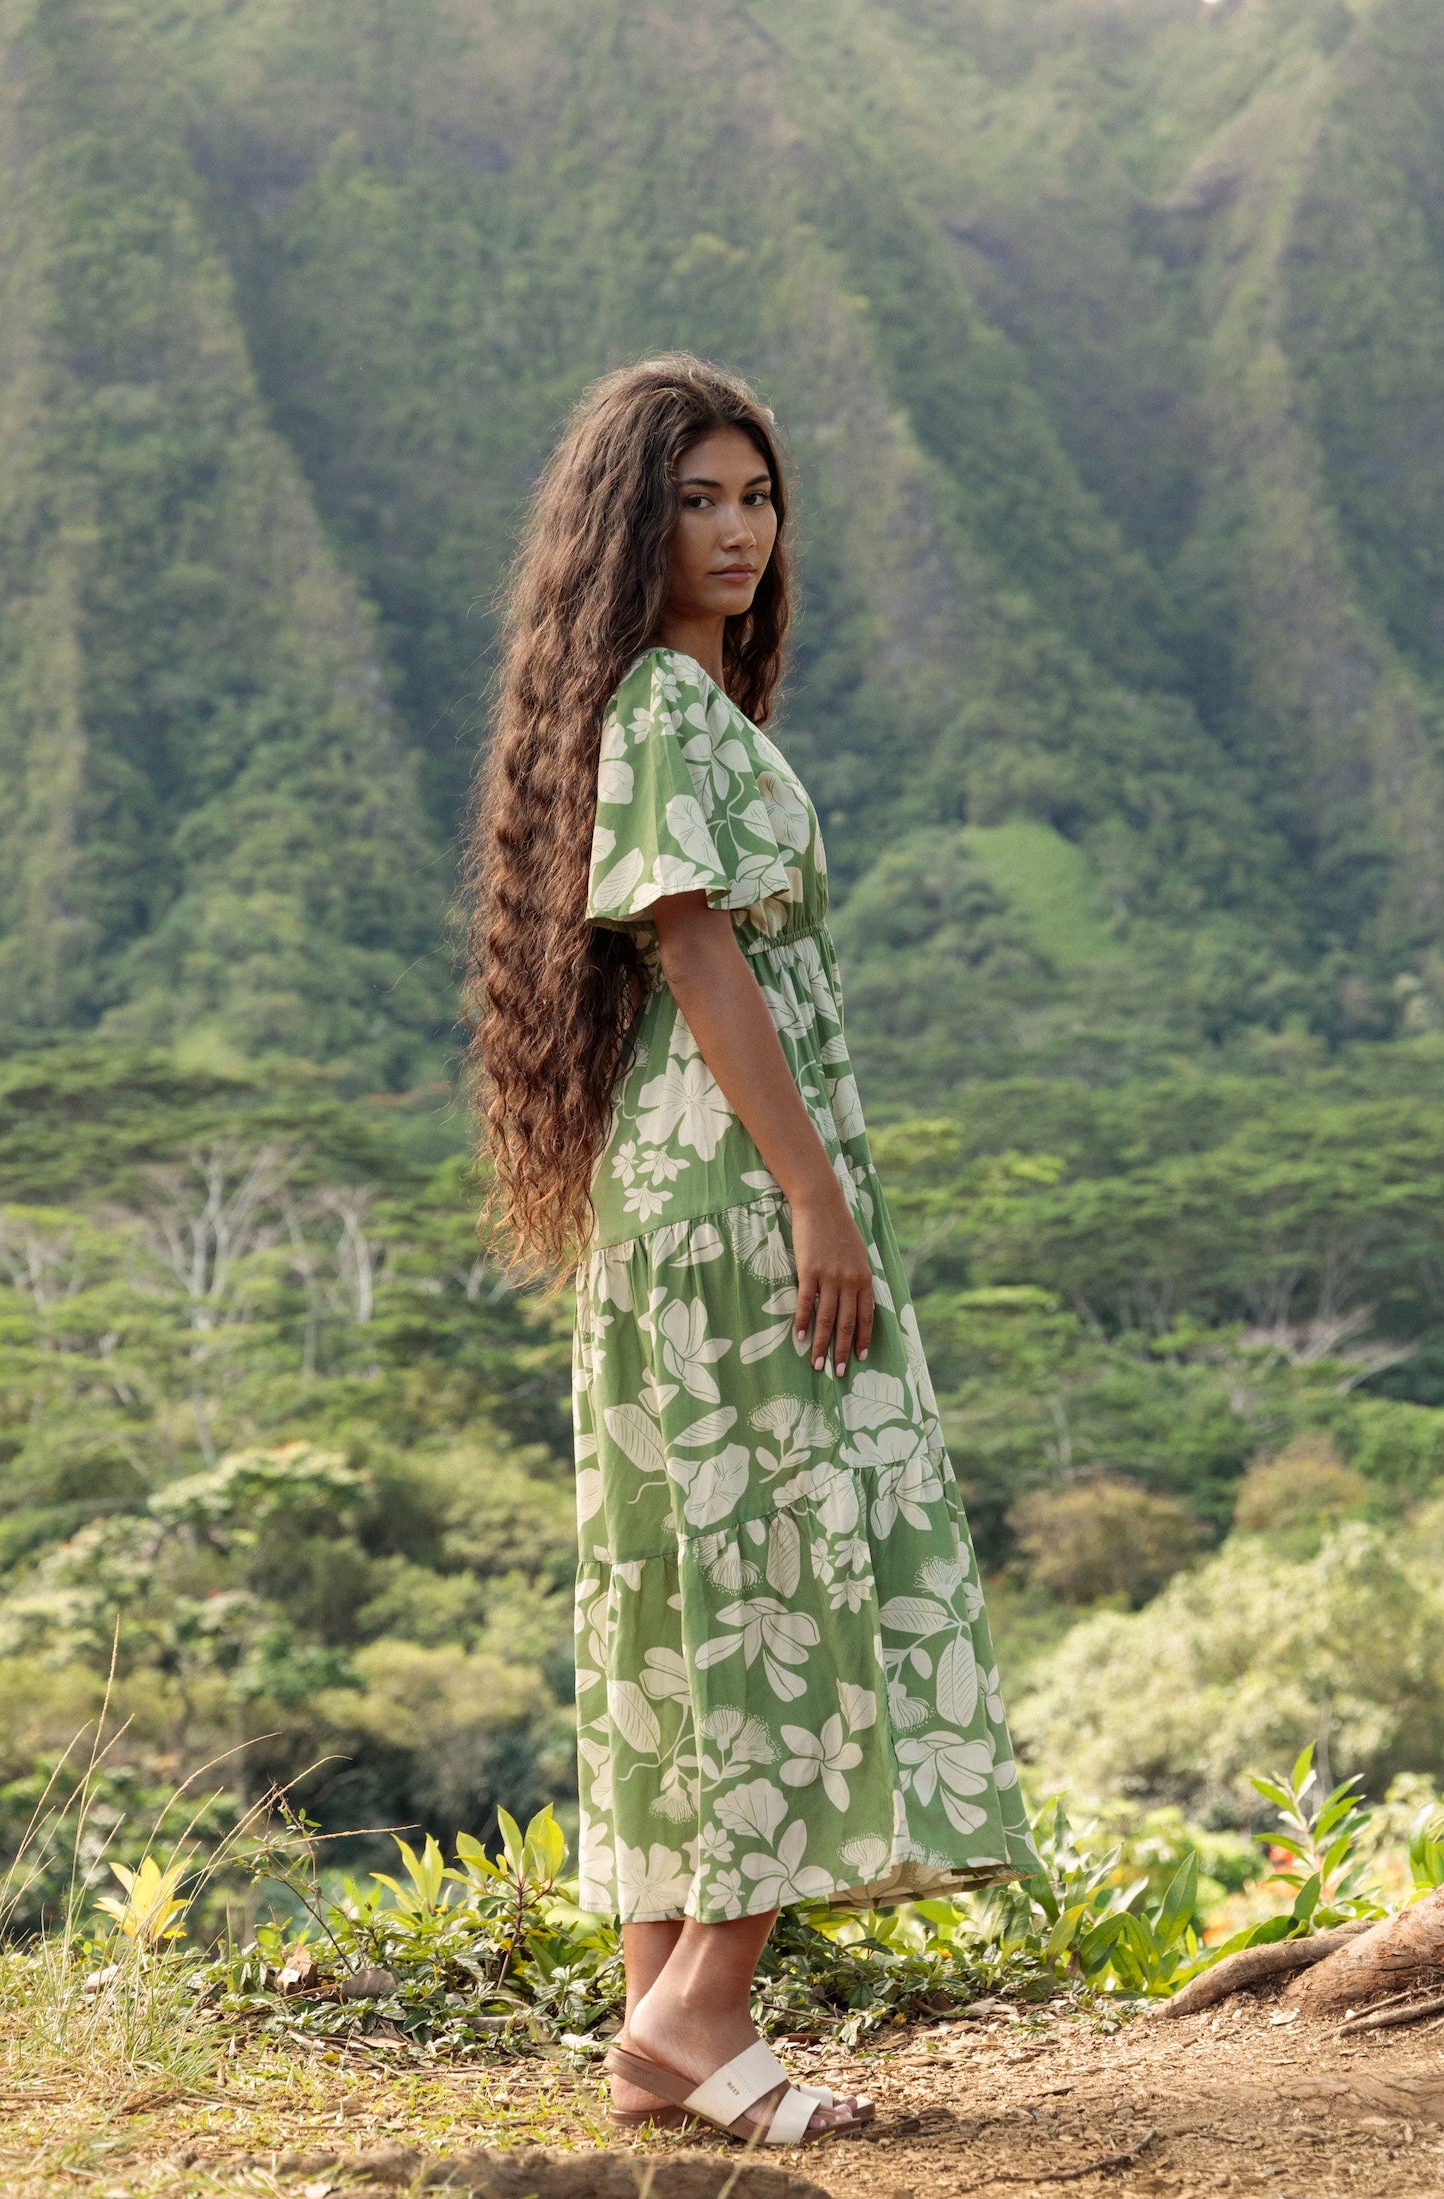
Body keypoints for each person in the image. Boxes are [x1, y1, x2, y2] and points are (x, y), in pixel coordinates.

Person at [469, 354, 1037, 2147]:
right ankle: (700, 2010)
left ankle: (663, 2029)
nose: (734, 530)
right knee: (790, 1569)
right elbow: (701, 955)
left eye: (756, 498)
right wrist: (814, 1196)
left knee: (703, 1577)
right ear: (630, 523)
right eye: (697, 499)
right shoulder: (662, 710)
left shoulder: (662, 709)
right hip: (730, 1193)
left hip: (694, 1191)